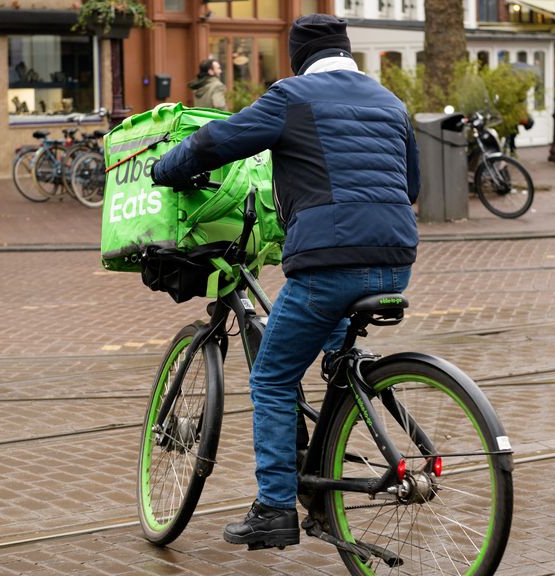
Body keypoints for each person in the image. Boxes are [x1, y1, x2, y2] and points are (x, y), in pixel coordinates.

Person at [152, 14, 419, 550]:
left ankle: (274, 508)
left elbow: (214, 142)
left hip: (327, 262)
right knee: (326, 333)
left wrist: (167, 168)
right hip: (396, 258)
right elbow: (409, 185)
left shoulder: (292, 96)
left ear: (300, 59)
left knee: (272, 378)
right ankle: (349, 398)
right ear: (346, 52)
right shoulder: (390, 102)